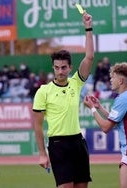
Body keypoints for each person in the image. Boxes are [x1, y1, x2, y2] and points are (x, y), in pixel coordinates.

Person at [32, 12, 94, 188]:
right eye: (57, 67)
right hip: (58, 145)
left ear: (70, 68)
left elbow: (89, 57)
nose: (60, 71)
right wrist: (42, 154)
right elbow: (37, 125)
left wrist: (88, 28)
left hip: (78, 142)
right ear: (53, 67)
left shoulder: (76, 83)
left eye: (64, 67)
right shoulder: (43, 91)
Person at [84, 62, 127, 188]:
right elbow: (118, 120)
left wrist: (92, 109)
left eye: (113, 77)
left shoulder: (123, 99)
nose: (111, 80)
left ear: (121, 80)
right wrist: (99, 107)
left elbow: (106, 128)